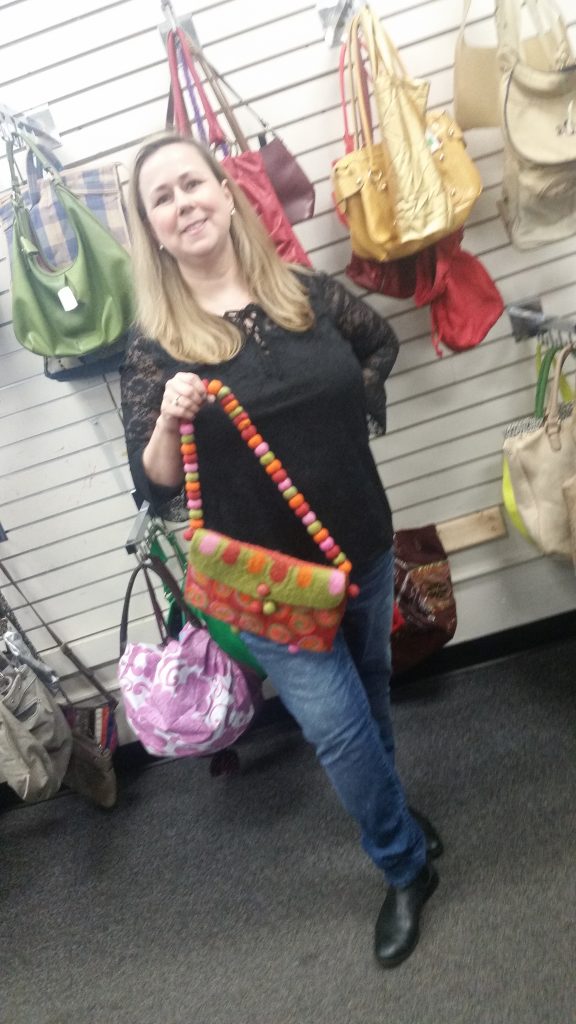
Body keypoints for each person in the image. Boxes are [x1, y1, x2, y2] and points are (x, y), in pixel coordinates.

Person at [120, 132, 442, 968]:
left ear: (226, 195)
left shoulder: (304, 293)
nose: (184, 203)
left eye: (194, 184)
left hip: (360, 542)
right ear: (152, 229)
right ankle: (405, 866)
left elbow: (380, 346)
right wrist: (167, 416)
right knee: (336, 730)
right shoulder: (156, 348)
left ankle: (394, 815)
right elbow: (153, 484)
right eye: (163, 197)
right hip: (267, 585)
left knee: (371, 690)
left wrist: (353, 411)